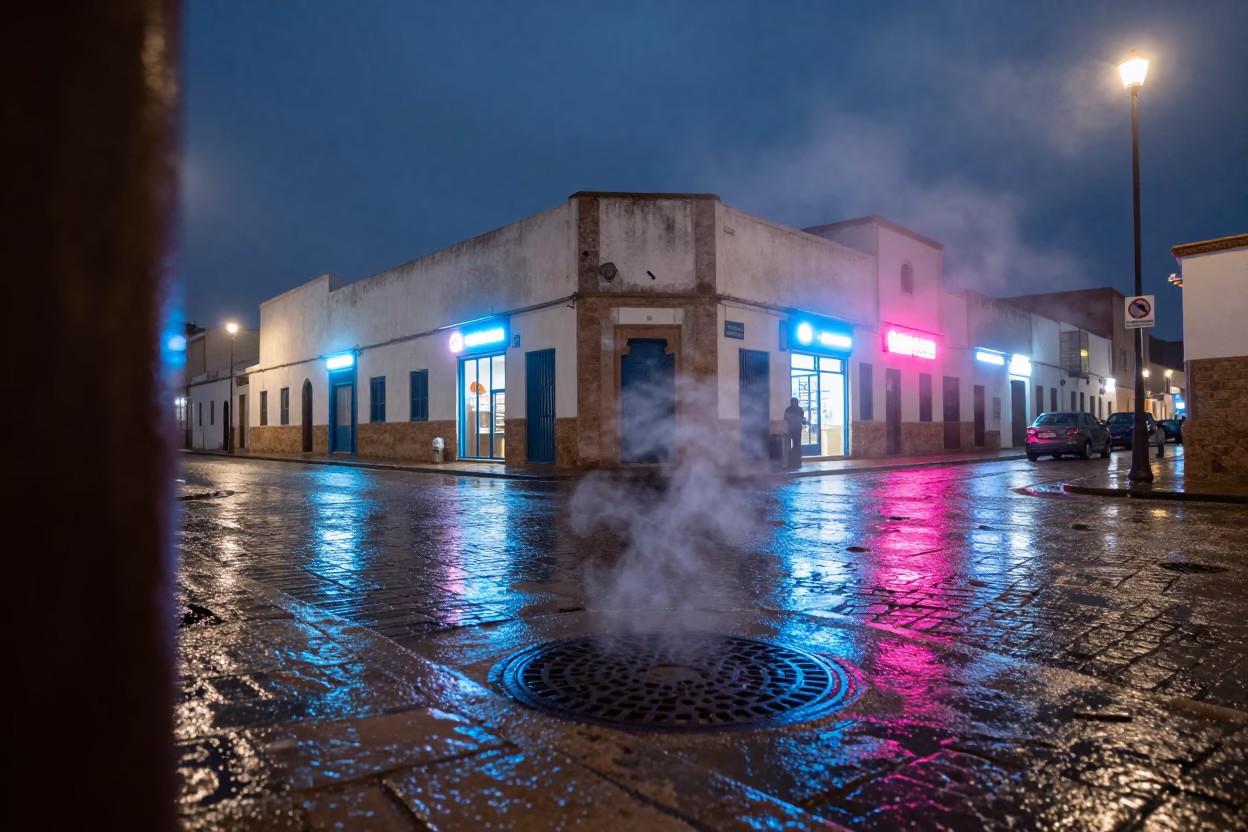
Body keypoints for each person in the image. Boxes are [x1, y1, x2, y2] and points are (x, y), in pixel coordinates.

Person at [783, 397, 807, 470]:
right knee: (796, 446)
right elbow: (802, 420)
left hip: (793, 429)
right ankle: (796, 463)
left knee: (794, 446)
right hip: (794, 429)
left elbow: (785, 419)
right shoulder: (799, 409)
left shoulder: (788, 410)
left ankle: (793, 463)